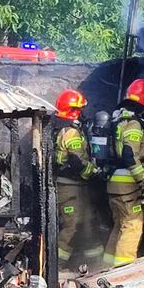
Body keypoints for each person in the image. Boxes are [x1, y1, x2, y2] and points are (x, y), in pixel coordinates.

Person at [103, 79, 144, 267]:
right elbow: (129, 154)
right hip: (128, 186)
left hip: (113, 183)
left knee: (119, 226)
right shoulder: (133, 124)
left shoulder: (117, 119)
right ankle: (122, 272)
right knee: (132, 226)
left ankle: (106, 267)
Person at [53, 88, 103, 271]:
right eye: (78, 109)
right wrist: (95, 173)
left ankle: (96, 265)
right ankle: (56, 268)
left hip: (77, 188)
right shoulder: (70, 132)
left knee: (88, 223)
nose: (81, 113)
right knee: (71, 226)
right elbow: (77, 162)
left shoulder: (56, 127)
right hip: (70, 188)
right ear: (72, 110)